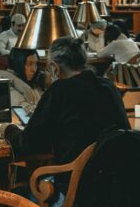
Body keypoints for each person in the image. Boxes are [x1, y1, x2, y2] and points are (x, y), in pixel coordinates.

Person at [10, 38, 129, 168]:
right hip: (116, 177)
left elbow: (30, 143)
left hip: (76, 181)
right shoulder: (108, 86)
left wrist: (9, 130)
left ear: (54, 68)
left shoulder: (60, 90)